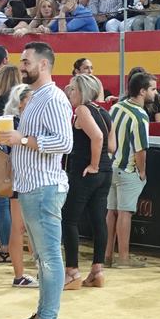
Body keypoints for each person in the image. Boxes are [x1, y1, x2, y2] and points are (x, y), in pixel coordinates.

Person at [0, 42, 76, 319]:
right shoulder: (39, 97)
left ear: (44, 65)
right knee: (43, 258)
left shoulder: (53, 98)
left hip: (44, 186)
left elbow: (64, 143)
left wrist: (23, 140)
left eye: (26, 61)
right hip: (33, 186)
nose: (22, 65)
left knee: (49, 258)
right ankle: (43, 314)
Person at [60, 73, 109, 291]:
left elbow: (97, 137)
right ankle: (97, 271)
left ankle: (72, 272)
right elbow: (112, 145)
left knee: (69, 220)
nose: (69, 93)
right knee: (99, 219)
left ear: (81, 91)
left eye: (72, 89)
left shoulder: (82, 110)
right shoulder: (104, 112)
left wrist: (94, 164)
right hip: (105, 172)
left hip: (85, 171)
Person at [106, 70, 153, 269]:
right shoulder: (140, 116)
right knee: (125, 212)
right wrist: (142, 171)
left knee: (111, 211)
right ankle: (124, 258)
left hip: (110, 166)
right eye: (152, 89)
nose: (155, 93)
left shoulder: (115, 107)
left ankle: (107, 255)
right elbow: (140, 149)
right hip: (128, 169)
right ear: (142, 91)